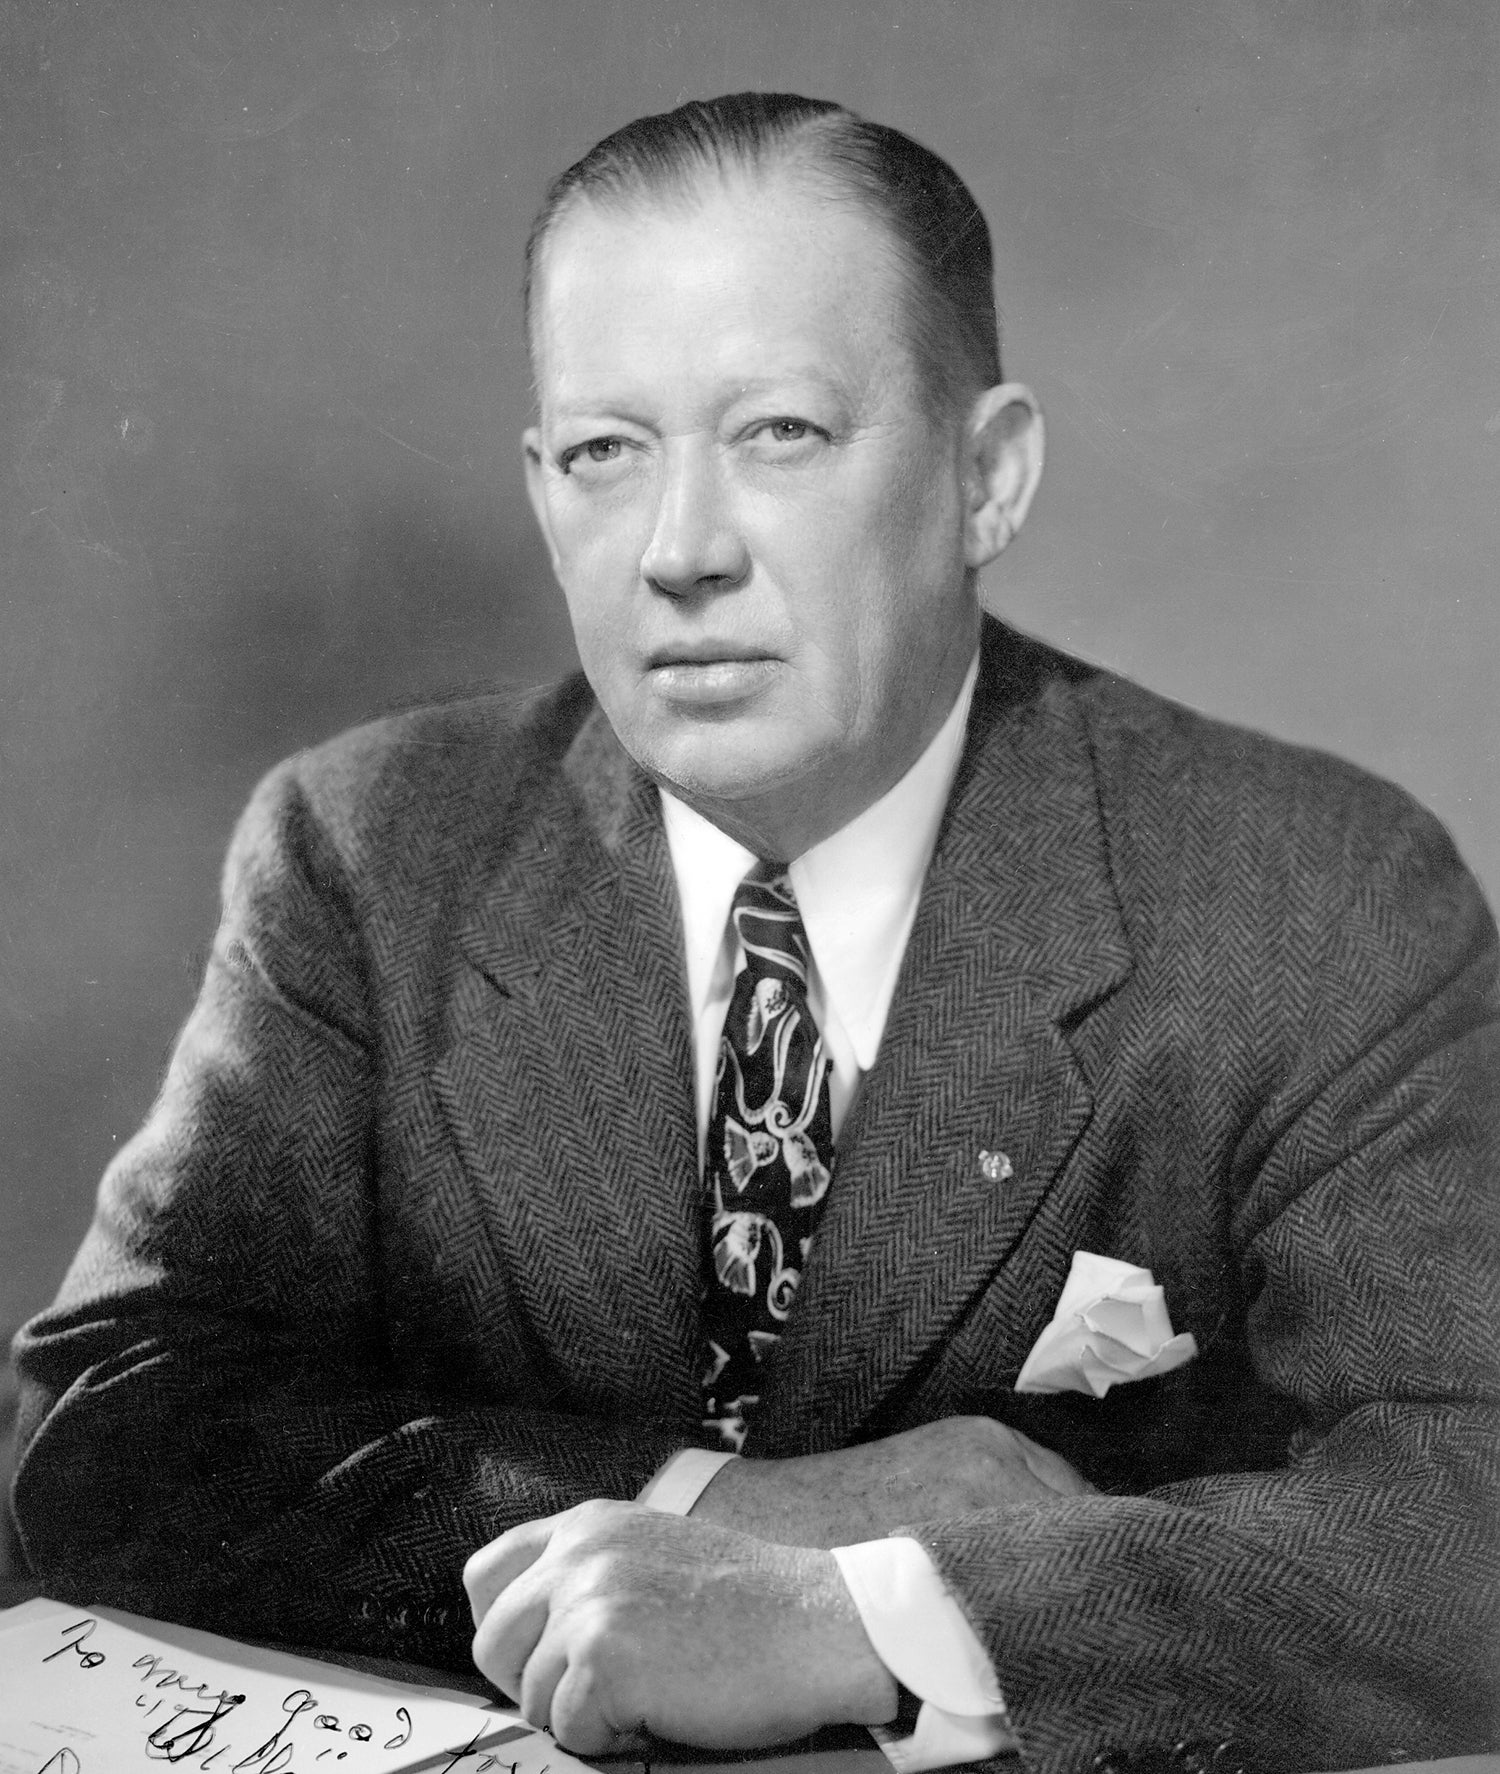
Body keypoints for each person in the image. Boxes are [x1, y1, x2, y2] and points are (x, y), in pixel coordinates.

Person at [11, 92, 1497, 1774]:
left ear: (987, 476)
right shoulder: (369, 846)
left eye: (782, 432)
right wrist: (726, 1508)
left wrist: (879, 1616)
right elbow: (104, 1419)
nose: (680, 551)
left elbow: (1474, 1501)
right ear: (542, 489)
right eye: (605, 451)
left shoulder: (1311, 888)